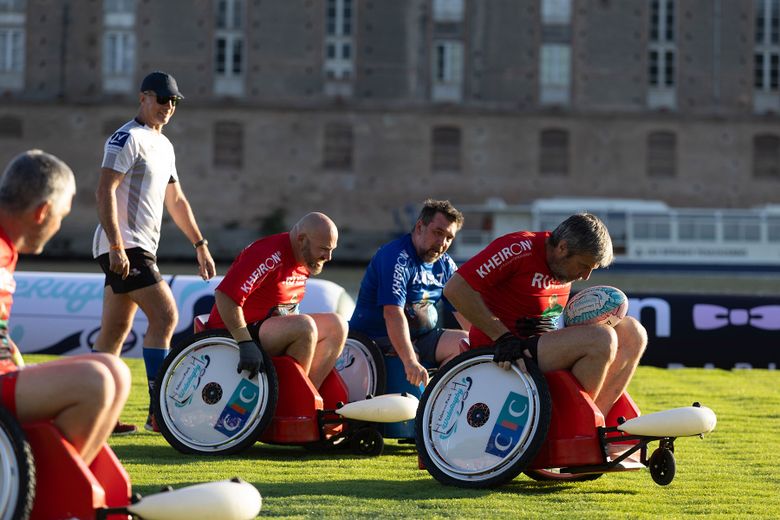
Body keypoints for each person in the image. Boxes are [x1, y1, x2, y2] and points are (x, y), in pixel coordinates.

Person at [92, 71, 216, 435]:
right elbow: (103, 192)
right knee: (165, 317)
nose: (169, 107)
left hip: (139, 247)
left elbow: (176, 200)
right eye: (163, 99)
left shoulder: (165, 145)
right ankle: (157, 413)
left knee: (114, 332)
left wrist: (200, 244)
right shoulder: (126, 138)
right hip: (126, 246)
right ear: (143, 97)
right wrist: (116, 245)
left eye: (174, 102)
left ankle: (100, 416)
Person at [443, 213, 647, 416]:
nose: (585, 277)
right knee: (602, 338)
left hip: (540, 346)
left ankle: (596, 419)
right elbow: (454, 289)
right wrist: (502, 337)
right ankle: (575, 424)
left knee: (633, 332)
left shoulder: (563, 262)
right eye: (584, 266)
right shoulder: (517, 248)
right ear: (562, 248)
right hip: (502, 351)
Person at [0, 150, 131, 465]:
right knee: (95, 382)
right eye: (63, 215)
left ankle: (50, 485)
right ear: (43, 212)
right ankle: (38, 492)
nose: (59, 225)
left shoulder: (7, 248)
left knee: (115, 371)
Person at [205, 212, 346, 388]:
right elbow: (224, 296)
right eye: (324, 249)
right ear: (301, 239)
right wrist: (244, 341)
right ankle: (295, 401)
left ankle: (310, 396)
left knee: (337, 325)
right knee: (304, 326)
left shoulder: (306, 258)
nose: (328, 257)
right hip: (233, 336)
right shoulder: (269, 254)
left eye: (332, 249)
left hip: (267, 329)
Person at [349, 199, 470, 388]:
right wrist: (411, 361)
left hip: (422, 336)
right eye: (438, 233)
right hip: (377, 339)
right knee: (411, 354)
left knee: (466, 342)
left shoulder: (445, 264)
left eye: (449, 237)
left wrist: (492, 343)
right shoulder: (396, 257)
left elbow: (463, 312)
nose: (442, 243)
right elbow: (392, 313)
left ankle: (438, 397)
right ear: (420, 227)